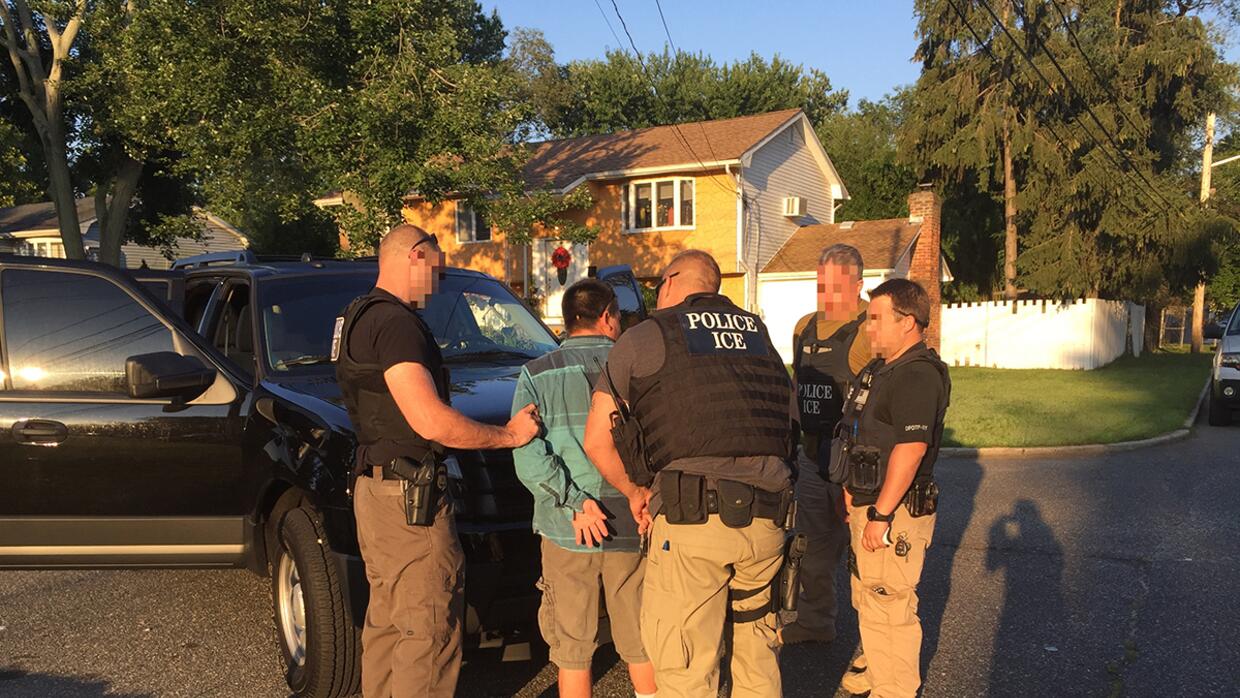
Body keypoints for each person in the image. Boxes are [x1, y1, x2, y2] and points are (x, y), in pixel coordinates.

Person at [332, 224, 541, 698]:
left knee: (388, 622)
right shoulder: (397, 324)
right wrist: (510, 435)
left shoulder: (356, 316)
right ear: (416, 256)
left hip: (376, 489)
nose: (437, 284)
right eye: (438, 272)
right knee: (428, 630)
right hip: (411, 502)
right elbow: (430, 421)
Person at [584, 250, 798, 698]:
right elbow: (789, 425)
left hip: (692, 521)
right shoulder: (759, 335)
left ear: (670, 281)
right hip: (768, 520)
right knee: (758, 659)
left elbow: (598, 441)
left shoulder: (646, 336)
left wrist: (636, 493)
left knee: (685, 669)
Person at [510, 279, 657, 698]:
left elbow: (528, 455)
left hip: (567, 528)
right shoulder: (638, 367)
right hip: (633, 518)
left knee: (573, 650)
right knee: (641, 638)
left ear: (568, 320)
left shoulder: (537, 374)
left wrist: (575, 501)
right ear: (608, 317)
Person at [837, 278, 951, 698]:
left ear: (908, 322)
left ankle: (895, 689)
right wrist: (853, 496)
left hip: (894, 510)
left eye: (876, 319)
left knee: (889, 602)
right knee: (868, 596)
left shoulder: (917, 374)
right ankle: (877, 671)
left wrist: (881, 514)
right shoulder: (881, 369)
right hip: (869, 502)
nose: (868, 328)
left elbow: (911, 448)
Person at [781, 244, 872, 647]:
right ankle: (816, 622)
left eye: (837, 284)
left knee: (866, 557)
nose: (828, 293)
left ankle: (875, 646)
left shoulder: (871, 325)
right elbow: (797, 387)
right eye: (822, 284)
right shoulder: (804, 327)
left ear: (858, 284)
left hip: (856, 461)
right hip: (813, 456)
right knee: (813, 547)